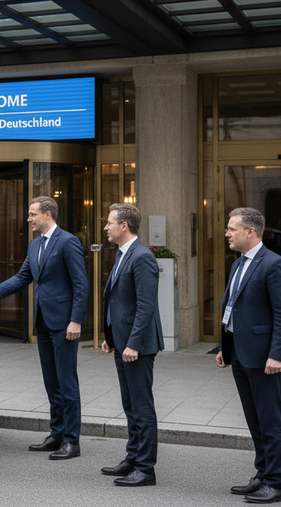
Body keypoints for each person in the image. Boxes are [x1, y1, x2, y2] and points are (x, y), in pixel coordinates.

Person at [0, 196, 88, 460]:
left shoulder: (68, 241)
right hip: (42, 322)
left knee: (67, 382)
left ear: (47, 215)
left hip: (64, 324)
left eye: (32, 214)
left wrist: (76, 320)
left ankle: (72, 441)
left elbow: (81, 283)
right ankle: (57, 433)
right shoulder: (34, 245)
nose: (28, 219)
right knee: (51, 382)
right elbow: (24, 276)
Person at [215, 207, 281, 504]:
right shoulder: (238, 263)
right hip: (240, 353)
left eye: (231, 229)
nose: (226, 233)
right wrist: (226, 347)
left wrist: (277, 354)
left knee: (270, 421)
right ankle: (262, 474)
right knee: (255, 420)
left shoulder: (274, 265)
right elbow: (233, 307)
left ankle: (275, 483)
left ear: (250, 231)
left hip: (264, 358)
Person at [100, 203, 163, 487]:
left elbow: (146, 306)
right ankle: (133, 457)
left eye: (109, 223)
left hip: (137, 346)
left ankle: (145, 468)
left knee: (141, 407)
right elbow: (119, 301)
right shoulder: (123, 253)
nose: (106, 227)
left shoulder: (142, 257)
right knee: (130, 405)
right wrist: (112, 337)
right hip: (122, 343)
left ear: (124, 226)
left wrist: (134, 343)